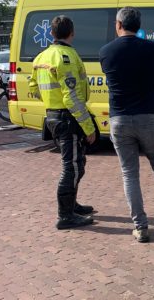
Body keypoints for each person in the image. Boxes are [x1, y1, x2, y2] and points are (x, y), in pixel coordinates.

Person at [99, 6, 154, 243]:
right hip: (148, 116)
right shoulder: (151, 48)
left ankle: (140, 226)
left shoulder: (106, 51)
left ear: (118, 25)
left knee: (129, 174)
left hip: (119, 119)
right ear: (139, 26)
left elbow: (112, 77)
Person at [29, 15, 96, 230]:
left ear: (51, 33)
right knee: (71, 167)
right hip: (68, 118)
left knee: (78, 164)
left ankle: (71, 206)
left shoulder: (41, 56)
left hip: (54, 115)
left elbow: (33, 87)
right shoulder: (66, 56)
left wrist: (51, 103)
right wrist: (88, 127)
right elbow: (72, 97)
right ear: (72, 33)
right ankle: (65, 216)